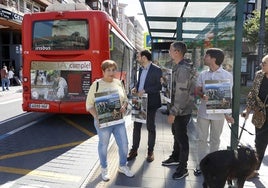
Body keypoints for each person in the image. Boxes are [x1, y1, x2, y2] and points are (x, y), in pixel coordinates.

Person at [86, 60, 134, 181]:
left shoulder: (119, 83)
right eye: (108, 70)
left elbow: (125, 99)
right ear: (103, 71)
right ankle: (104, 169)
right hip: (103, 122)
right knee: (103, 145)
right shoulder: (96, 85)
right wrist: (99, 118)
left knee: (124, 145)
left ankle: (123, 166)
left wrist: (124, 106)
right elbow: (89, 105)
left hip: (118, 121)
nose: (111, 72)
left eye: (113, 70)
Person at [194, 48, 234, 176]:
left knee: (215, 140)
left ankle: (212, 165)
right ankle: (201, 165)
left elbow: (228, 96)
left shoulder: (227, 76)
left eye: (206, 56)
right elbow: (197, 90)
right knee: (201, 140)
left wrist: (228, 115)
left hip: (218, 114)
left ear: (213, 59)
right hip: (203, 112)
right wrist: (202, 95)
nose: (204, 58)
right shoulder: (203, 74)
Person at [161, 41, 196, 180]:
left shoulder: (183, 69)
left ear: (177, 52)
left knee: (182, 139)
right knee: (176, 134)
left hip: (181, 111)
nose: (169, 52)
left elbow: (182, 94)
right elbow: (174, 87)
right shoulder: (178, 66)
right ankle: (175, 157)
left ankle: (183, 168)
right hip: (177, 109)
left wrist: (173, 113)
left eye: (171, 49)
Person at [127, 50, 162, 162]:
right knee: (136, 126)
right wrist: (136, 88)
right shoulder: (141, 69)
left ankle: (150, 152)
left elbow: (159, 87)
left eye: (139, 56)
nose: (137, 57)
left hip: (151, 102)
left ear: (144, 58)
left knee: (150, 127)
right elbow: (140, 83)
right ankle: (134, 150)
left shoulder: (157, 70)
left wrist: (146, 90)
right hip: (139, 101)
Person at [241, 54, 268, 179]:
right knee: (260, 143)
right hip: (261, 115)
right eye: (262, 63)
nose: (262, 65)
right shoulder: (259, 75)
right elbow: (252, 94)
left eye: (265, 63)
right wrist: (247, 110)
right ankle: (253, 170)